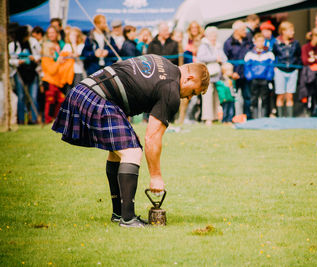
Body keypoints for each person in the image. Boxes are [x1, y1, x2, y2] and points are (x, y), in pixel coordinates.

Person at [52, 54, 210, 228]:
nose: (188, 98)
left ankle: (119, 213)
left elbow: (128, 76)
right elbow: (152, 137)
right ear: (189, 78)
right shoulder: (171, 89)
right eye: (193, 92)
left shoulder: (161, 61)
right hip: (97, 97)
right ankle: (128, 219)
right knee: (132, 151)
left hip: (83, 90)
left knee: (118, 151)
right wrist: (156, 177)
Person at [41, 26, 74, 124]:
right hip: (49, 81)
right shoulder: (46, 58)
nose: (53, 52)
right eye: (51, 50)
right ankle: (48, 119)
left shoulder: (60, 46)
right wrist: (58, 62)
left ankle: (56, 119)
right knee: (50, 101)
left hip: (57, 82)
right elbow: (51, 70)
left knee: (60, 100)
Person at [8, 25, 41, 124]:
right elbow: (10, 59)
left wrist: (34, 58)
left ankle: (34, 119)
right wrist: (18, 62)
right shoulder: (13, 45)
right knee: (21, 97)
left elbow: (39, 55)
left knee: (33, 97)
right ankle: (21, 119)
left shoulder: (33, 42)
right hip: (19, 73)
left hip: (32, 72)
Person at [197, 26, 228, 126]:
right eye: (211, 35)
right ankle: (207, 118)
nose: (214, 37)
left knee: (216, 97)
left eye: (215, 35)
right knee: (207, 96)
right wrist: (215, 58)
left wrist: (219, 59)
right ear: (207, 35)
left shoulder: (218, 46)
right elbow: (201, 57)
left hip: (218, 75)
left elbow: (224, 58)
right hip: (207, 74)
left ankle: (215, 117)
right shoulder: (204, 45)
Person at [224, 20, 254, 119]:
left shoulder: (248, 41)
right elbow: (226, 60)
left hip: (246, 74)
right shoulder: (228, 43)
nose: (245, 31)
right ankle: (232, 117)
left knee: (247, 97)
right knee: (233, 97)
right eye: (243, 29)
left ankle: (248, 117)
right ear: (236, 30)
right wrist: (231, 73)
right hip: (234, 75)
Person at [272, 21, 301, 117]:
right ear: (283, 31)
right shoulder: (276, 43)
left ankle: (289, 118)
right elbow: (273, 55)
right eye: (290, 30)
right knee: (280, 95)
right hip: (280, 70)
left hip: (292, 71)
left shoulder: (296, 43)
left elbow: (298, 56)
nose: (293, 32)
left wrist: (296, 68)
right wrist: (275, 67)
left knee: (290, 95)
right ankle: (280, 117)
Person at [244, 33, 275, 118]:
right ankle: (254, 117)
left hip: (265, 80)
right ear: (255, 42)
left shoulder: (269, 54)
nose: (260, 43)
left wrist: (269, 77)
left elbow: (271, 67)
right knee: (254, 98)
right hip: (254, 80)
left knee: (265, 99)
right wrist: (250, 77)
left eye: (262, 41)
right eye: (258, 41)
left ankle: (264, 116)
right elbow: (247, 67)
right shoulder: (250, 54)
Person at [299, 27, 317, 117]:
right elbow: (305, 61)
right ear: (314, 36)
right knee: (309, 95)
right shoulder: (306, 47)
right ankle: (309, 113)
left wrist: (313, 60)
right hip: (308, 77)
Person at [62, 27, 86, 91]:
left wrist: (74, 44)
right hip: (68, 71)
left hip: (78, 71)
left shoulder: (81, 45)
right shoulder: (67, 45)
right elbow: (62, 55)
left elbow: (77, 55)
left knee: (77, 90)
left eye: (75, 35)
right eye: (71, 35)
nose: (73, 37)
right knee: (68, 91)